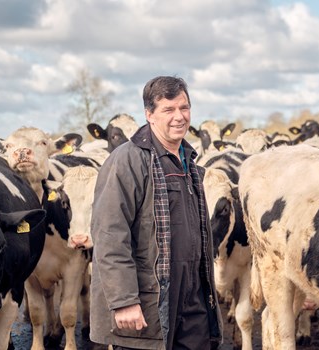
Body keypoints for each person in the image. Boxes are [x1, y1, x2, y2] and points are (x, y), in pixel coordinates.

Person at [90, 75, 223, 350]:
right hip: (149, 299)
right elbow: (109, 235)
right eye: (168, 109)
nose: (179, 117)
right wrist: (124, 300)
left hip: (193, 297)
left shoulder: (189, 161)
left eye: (184, 108)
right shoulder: (128, 160)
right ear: (149, 114)